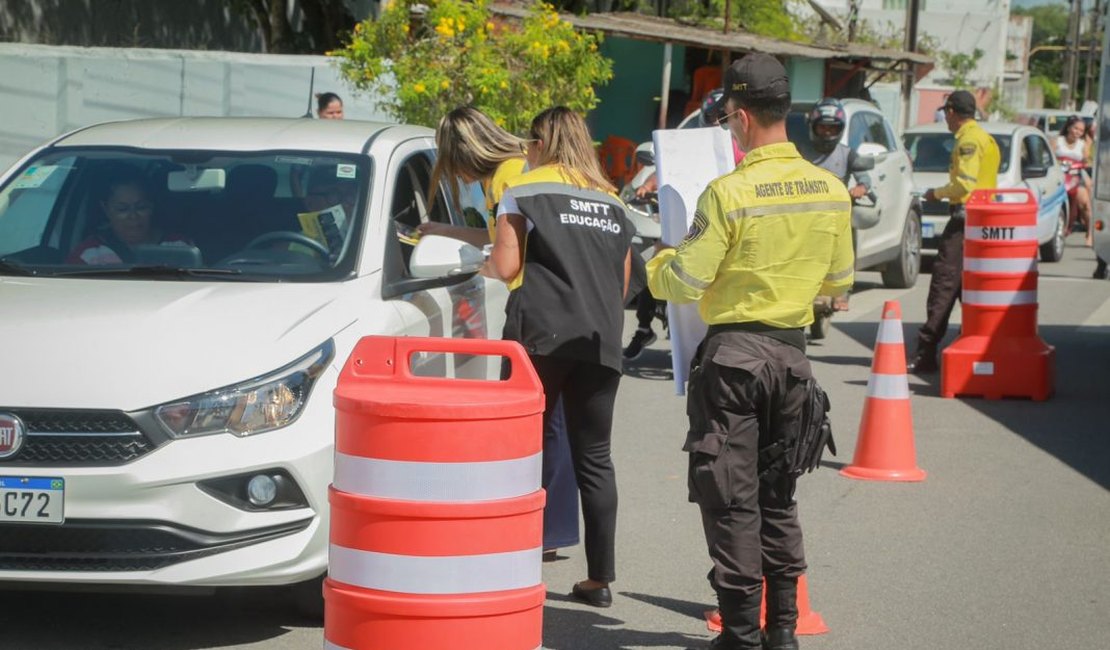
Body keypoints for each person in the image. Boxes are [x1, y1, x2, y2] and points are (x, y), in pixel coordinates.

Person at [647, 53, 853, 650]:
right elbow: (838, 284)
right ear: (786, 111)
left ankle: (739, 636)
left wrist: (659, 262)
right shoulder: (831, 190)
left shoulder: (727, 192)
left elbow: (684, 282)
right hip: (792, 358)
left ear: (737, 118)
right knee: (778, 496)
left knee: (732, 501)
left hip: (734, 359)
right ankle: (782, 633)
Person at [486, 106, 633, 608]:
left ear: (540, 143)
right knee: (595, 459)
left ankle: (511, 562)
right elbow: (623, 283)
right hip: (600, 339)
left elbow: (507, 267)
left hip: (540, 337)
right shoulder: (612, 199)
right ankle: (599, 579)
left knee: (521, 451)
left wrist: (482, 259)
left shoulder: (524, 189)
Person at [422, 106, 581, 558]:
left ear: (462, 152)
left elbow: (510, 252)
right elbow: (498, 238)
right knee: (553, 423)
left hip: (537, 306)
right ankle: (551, 529)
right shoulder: (509, 172)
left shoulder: (510, 175)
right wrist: (440, 230)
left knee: (542, 423)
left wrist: (486, 265)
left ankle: (544, 528)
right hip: (554, 306)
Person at [907, 90, 1000, 374]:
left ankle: (926, 354)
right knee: (971, 288)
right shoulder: (986, 138)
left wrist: (935, 193)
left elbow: (965, 185)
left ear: (951, 112)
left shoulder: (969, 141)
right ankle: (977, 346)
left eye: (946, 114)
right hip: (983, 223)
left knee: (944, 284)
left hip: (965, 220)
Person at [804, 98, 871, 313]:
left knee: (847, 248)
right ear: (813, 127)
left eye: (832, 128)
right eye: (822, 127)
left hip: (838, 214)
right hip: (806, 213)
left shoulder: (846, 154)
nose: (826, 132)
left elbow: (865, 178)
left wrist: (860, 188)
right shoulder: (800, 151)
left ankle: (844, 292)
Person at [68, 171, 192, 265]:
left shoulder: (179, 246)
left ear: (152, 206)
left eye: (141, 207)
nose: (133, 216)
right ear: (106, 209)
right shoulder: (88, 254)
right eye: (122, 209)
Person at [1056, 115, 1093, 246]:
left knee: (1085, 203)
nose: (1077, 132)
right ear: (1068, 127)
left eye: (1081, 130)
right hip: (1059, 176)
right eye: (1075, 128)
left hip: (1076, 175)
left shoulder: (1083, 144)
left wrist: (1087, 149)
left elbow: (1086, 161)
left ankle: (1090, 232)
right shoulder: (1057, 140)